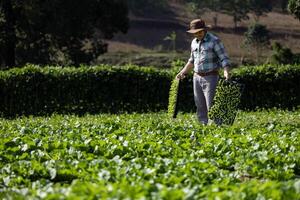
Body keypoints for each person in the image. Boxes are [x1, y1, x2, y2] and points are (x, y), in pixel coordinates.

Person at [176, 19, 230, 125]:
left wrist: (226, 72)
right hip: (196, 77)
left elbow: (224, 58)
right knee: (200, 106)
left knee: (212, 106)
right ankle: (203, 128)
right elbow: (191, 61)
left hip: (211, 77)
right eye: (195, 33)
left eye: (199, 32)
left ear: (204, 30)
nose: (197, 34)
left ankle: (217, 129)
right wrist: (183, 72)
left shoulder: (214, 41)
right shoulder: (194, 43)